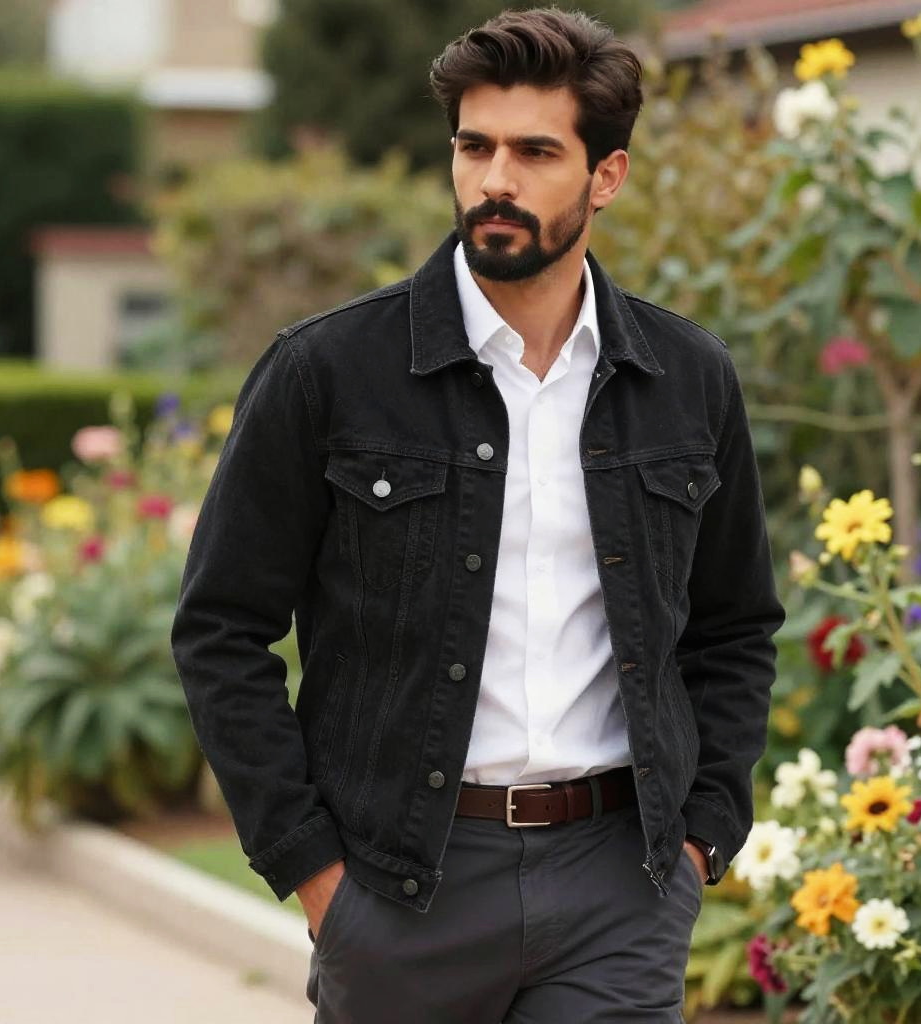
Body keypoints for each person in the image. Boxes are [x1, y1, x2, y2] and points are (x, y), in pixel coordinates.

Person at [171, 8, 784, 1022]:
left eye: (535, 151)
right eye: (474, 146)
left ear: (607, 176)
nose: (494, 179)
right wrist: (316, 873)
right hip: (401, 885)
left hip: (616, 890)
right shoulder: (325, 371)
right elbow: (220, 627)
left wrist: (697, 840)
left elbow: (734, 627)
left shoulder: (686, 378)